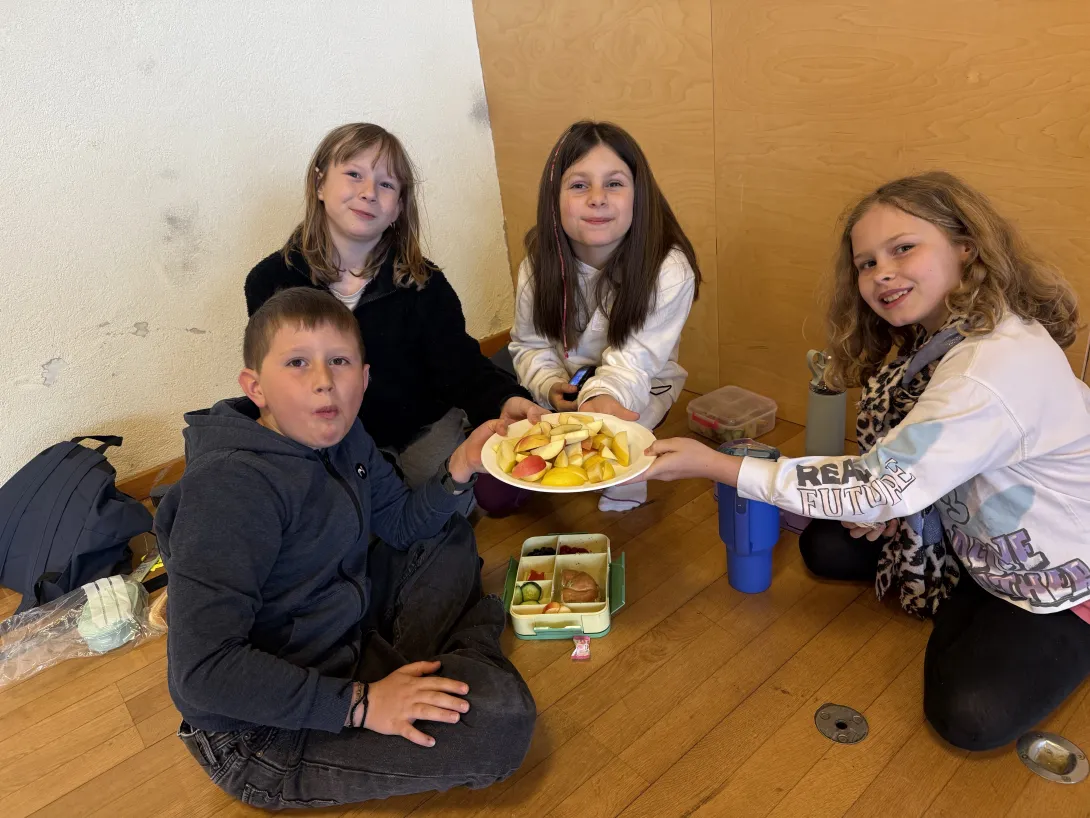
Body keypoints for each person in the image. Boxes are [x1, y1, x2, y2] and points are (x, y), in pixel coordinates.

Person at [637, 171, 1090, 751]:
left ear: (965, 246)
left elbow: (880, 481)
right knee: (825, 545)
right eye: (867, 263)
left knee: (969, 715)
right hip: (973, 520)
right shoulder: (943, 335)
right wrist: (896, 501)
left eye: (903, 249)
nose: (882, 274)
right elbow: (903, 465)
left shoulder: (992, 367)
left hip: (1060, 565)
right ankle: (961, 582)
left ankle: (998, 606)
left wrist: (716, 464)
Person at [155, 288, 536, 808]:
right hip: (259, 733)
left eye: (340, 361)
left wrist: (462, 464)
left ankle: (424, 666)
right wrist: (363, 704)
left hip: (340, 637)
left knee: (448, 535)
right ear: (255, 387)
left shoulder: (346, 435)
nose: (324, 381)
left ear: (364, 378)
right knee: (502, 724)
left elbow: (401, 523)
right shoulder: (230, 487)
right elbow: (201, 674)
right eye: (297, 362)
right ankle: (455, 649)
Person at [245, 123, 542, 495]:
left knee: (444, 507)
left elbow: (460, 365)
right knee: (348, 517)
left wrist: (505, 399)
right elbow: (280, 380)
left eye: (386, 184)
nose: (369, 192)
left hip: (420, 428)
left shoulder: (425, 284)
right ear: (320, 184)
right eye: (354, 174)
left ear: (399, 207)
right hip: (328, 438)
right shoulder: (271, 281)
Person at [508, 120, 702, 512]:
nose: (597, 198)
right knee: (503, 488)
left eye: (614, 183)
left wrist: (602, 398)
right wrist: (548, 384)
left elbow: (635, 361)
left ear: (638, 196)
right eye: (579, 185)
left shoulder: (668, 268)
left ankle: (626, 481)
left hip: (640, 382)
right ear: (554, 198)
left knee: (621, 436)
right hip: (569, 377)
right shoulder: (538, 264)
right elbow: (529, 344)